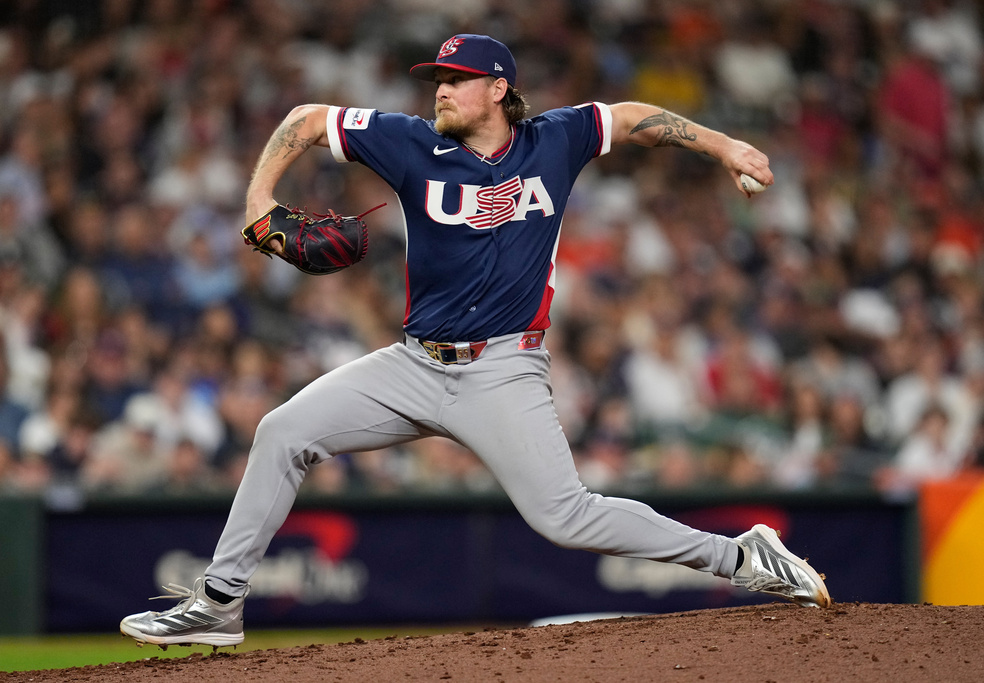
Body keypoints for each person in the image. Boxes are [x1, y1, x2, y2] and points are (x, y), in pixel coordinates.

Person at [120, 34, 830, 649]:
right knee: (282, 431)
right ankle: (219, 602)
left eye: (455, 81)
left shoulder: (557, 139)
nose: (441, 91)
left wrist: (723, 145)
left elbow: (635, 117)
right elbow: (306, 120)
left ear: (498, 88)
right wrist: (258, 201)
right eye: (437, 81)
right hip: (414, 363)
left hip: (504, 369)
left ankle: (742, 557)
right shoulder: (409, 143)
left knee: (565, 515)